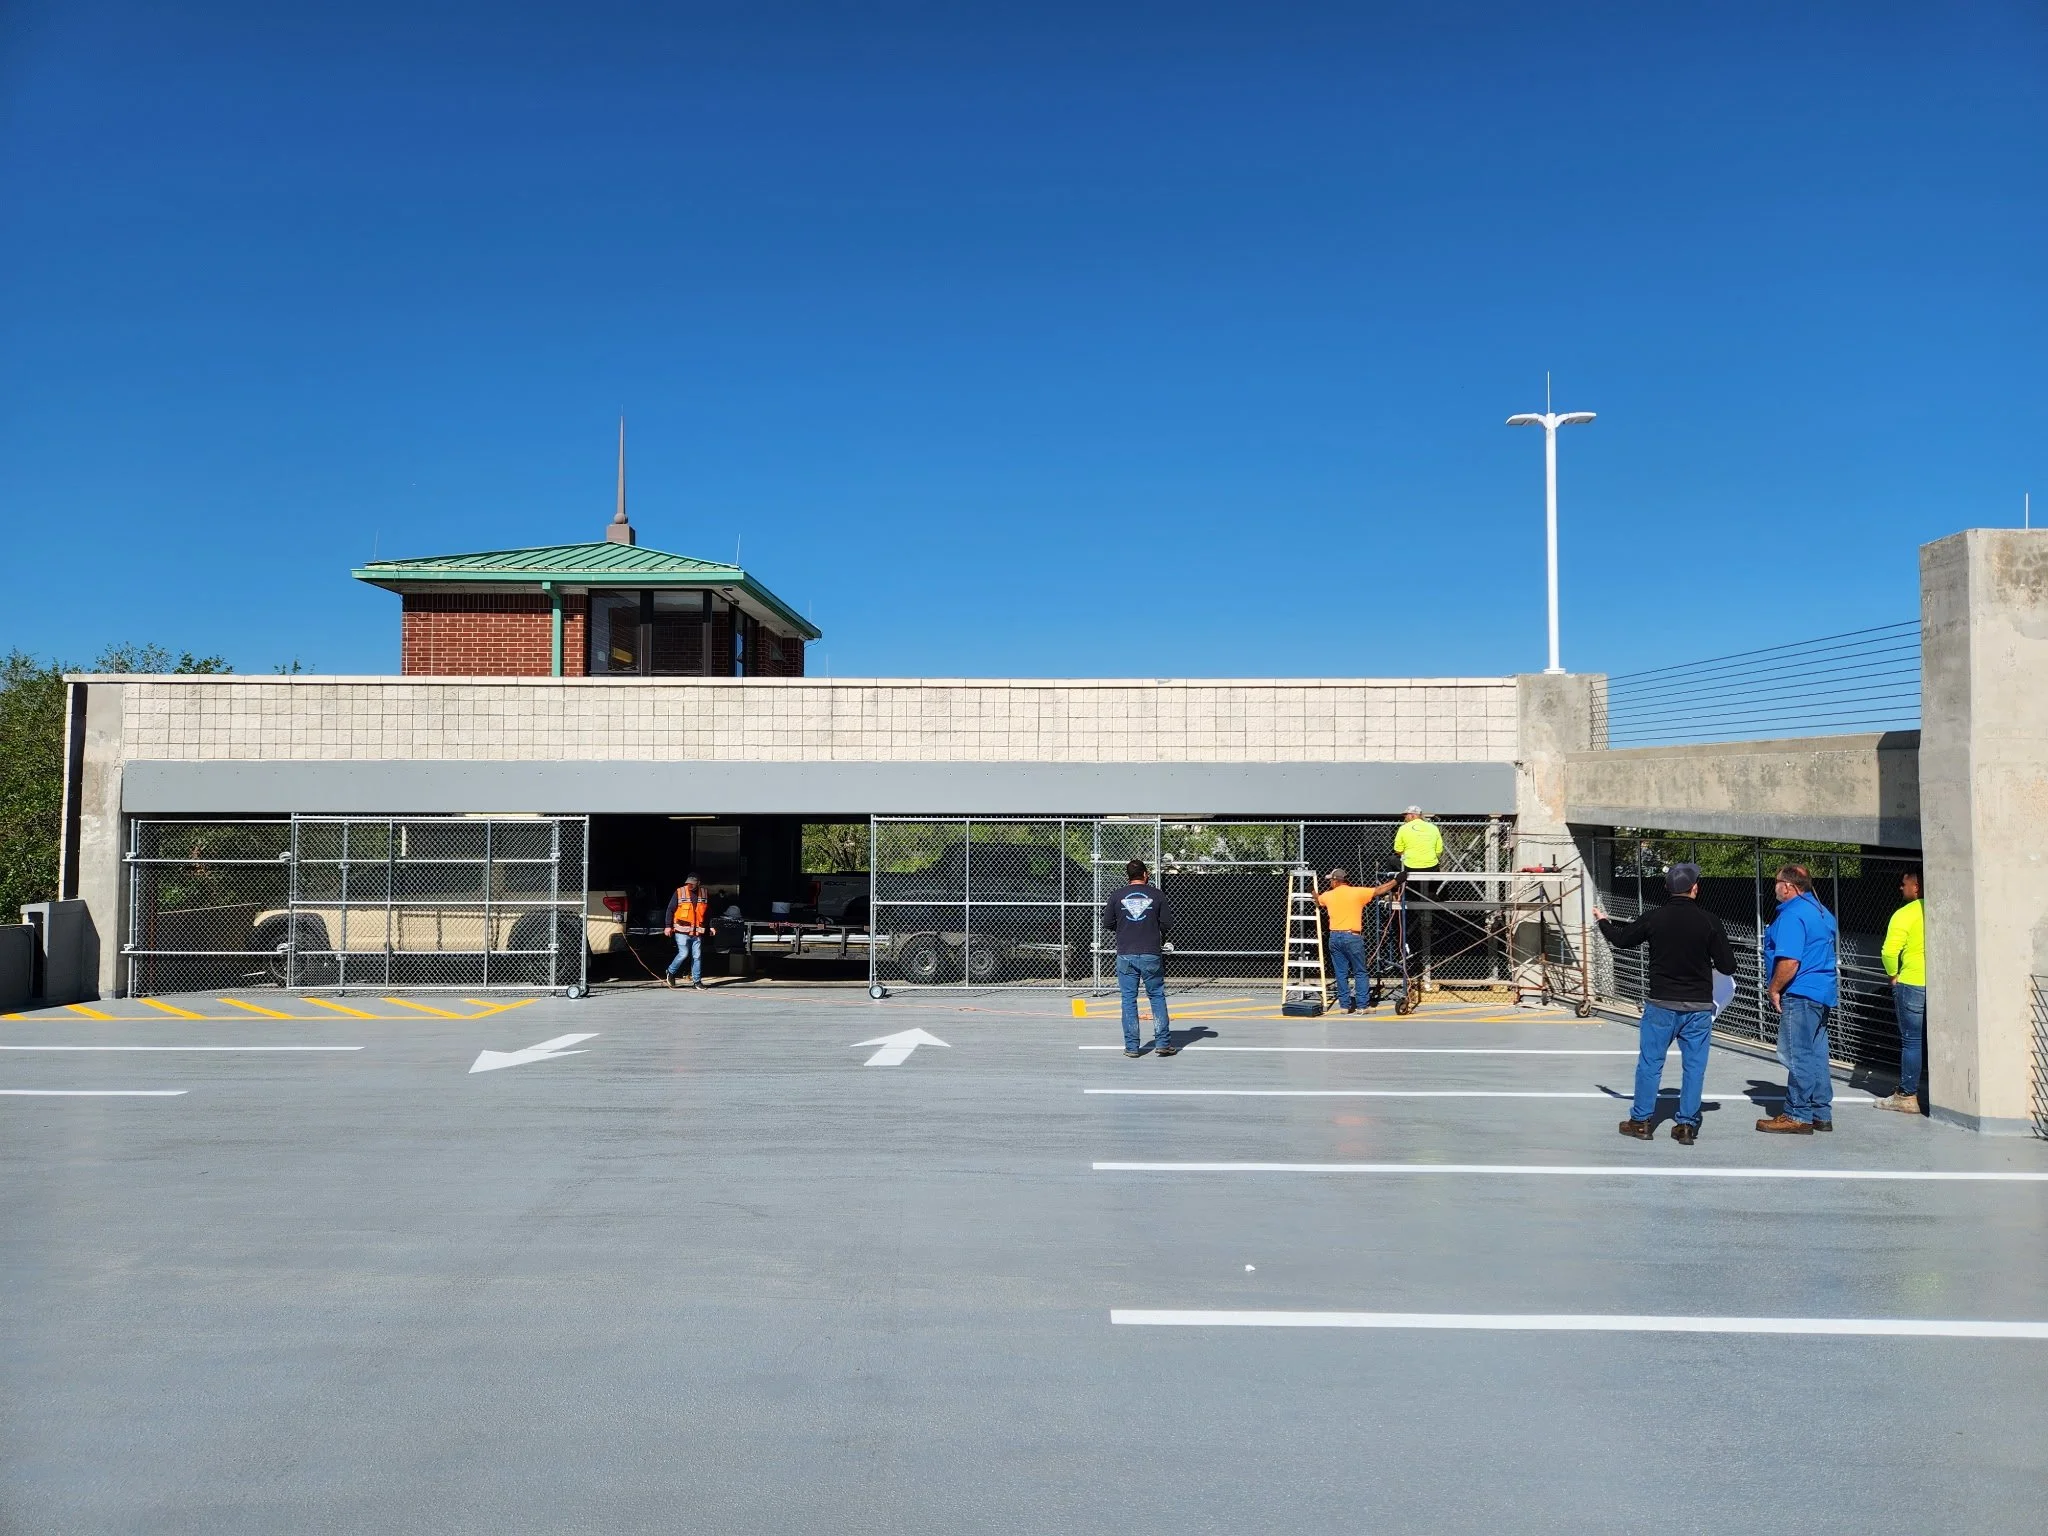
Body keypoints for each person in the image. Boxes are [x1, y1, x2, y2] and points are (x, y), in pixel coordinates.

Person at [1592, 863, 1737, 1145]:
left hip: (1661, 1004)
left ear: (1667, 889)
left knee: (1650, 1063)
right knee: (1694, 1067)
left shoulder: (1654, 918)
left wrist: (1603, 921)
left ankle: (1641, 1121)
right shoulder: (1709, 921)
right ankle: (1686, 1125)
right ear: (1694, 888)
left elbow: (1621, 940)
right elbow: (1727, 965)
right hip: (1697, 1007)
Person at [1757, 864, 1839, 1134]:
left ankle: (1797, 1114)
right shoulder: (1822, 912)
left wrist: (1774, 988)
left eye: (1777, 882)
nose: (1775, 887)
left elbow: (1790, 961)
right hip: (1821, 992)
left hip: (1800, 992)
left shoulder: (1793, 914)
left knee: (1796, 1054)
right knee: (1816, 1054)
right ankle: (1820, 1112)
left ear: (1789, 886)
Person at [1104, 859, 1174, 1057]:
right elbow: (1167, 923)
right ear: (1145, 874)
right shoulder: (1157, 895)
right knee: (1157, 996)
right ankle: (1162, 1042)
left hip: (1125, 953)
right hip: (1151, 952)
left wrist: (1126, 926)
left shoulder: (1117, 896)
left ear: (1128, 876)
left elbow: (1108, 923)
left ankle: (1132, 1046)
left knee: (1128, 999)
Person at [1317, 868, 1399, 1014]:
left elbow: (1318, 901)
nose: (1330, 882)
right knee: (1360, 972)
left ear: (1336, 881)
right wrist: (1397, 880)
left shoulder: (1328, 895)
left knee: (1341, 972)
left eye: (1331, 880)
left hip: (1334, 937)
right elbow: (1379, 890)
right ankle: (1362, 1006)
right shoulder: (1357, 892)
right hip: (1352, 936)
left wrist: (1312, 892)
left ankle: (1344, 1006)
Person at [1877, 868, 1926, 1114]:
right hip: (1936, 983)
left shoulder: (1904, 914)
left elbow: (1888, 951)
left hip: (1911, 982)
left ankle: (1907, 1094)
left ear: (1915, 887)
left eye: (1904, 883)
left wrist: (1893, 976)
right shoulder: (1937, 909)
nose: (1901, 887)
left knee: (1912, 1040)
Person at [665, 873, 711, 990]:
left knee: (697, 956)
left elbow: (708, 913)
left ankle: (697, 982)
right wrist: (667, 926)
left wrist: (711, 926)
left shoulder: (704, 893)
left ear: (698, 883)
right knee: (683, 954)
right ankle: (671, 971)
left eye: (692, 883)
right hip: (681, 931)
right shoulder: (680, 892)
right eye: (688, 883)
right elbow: (670, 909)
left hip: (697, 932)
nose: (689, 885)